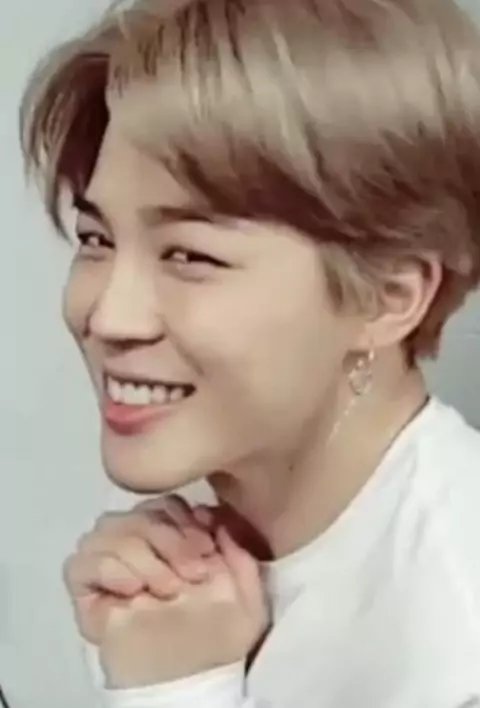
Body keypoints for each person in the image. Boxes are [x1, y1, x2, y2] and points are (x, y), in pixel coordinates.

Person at [19, 0, 480, 705]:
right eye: (96, 239)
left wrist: (175, 688)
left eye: (189, 255)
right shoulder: (198, 469)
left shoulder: (458, 629)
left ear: (387, 298)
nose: (108, 316)